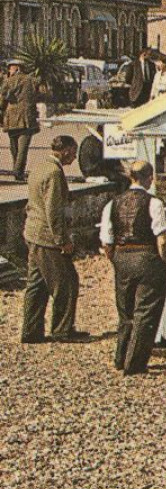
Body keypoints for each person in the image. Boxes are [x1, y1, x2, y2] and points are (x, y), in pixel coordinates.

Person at [99, 159, 166, 375]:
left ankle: (120, 357)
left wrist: (115, 259)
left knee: (126, 311)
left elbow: (106, 239)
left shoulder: (113, 203)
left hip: (122, 256)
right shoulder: (153, 203)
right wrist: (165, 263)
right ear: (149, 177)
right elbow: (162, 239)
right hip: (146, 254)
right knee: (145, 312)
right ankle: (135, 363)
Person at [20, 136, 84, 344]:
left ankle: (31, 331)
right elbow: (54, 211)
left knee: (37, 285)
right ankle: (62, 329)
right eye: (73, 152)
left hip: (33, 232)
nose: (74, 158)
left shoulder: (40, 166)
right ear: (64, 150)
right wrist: (62, 240)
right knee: (66, 283)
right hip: (47, 237)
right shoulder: (55, 173)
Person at [2, 57, 42, 181]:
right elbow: (40, 94)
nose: (9, 70)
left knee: (14, 146)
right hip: (27, 117)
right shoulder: (32, 81)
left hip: (11, 117)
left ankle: (17, 169)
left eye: (11, 68)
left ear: (17, 68)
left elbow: (2, 99)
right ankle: (18, 171)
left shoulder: (8, 82)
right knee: (23, 147)